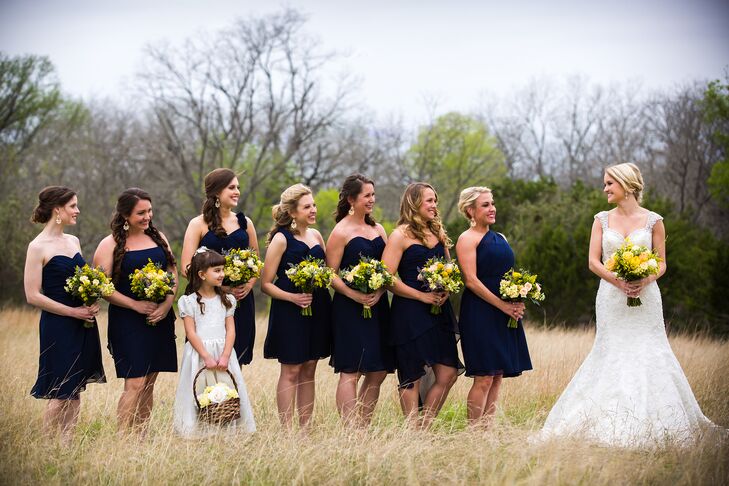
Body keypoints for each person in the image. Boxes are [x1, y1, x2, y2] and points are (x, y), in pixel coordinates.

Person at [539, 163, 714, 447]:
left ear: (627, 185)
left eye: (609, 183)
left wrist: (645, 279)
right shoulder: (601, 220)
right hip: (610, 297)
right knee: (611, 351)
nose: (605, 188)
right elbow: (593, 262)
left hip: (647, 297)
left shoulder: (654, 221)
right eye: (605, 183)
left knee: (650, 349)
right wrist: (618, 282)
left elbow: (662, 262)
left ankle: (662, 420)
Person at [24, 186, 106, 442]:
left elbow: (83, 281)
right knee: (60, 391)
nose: (77, 210)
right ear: (57, 210)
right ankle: (48, 447)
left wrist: (91, 302)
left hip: (83, 323)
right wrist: (72, 311)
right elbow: (33, 295)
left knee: (75, 389)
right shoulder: (37, 247)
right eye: (72, 206)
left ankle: (67, 444)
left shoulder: (73, 241)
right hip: (58, 325)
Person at [93, 188, 178, 433]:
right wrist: (134, 304)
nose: (147, 216)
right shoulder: (109, 244)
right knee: (136, 382)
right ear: (125, 215)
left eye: (149, 211)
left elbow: (172, 271)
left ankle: (140, 437)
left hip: (159, 318)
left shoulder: (158, 237)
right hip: (127, 322)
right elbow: (101, 286)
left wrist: (166, 304)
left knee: (150, 383)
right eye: (141, 212)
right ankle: (123, 438)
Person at [382, 182, 462, 428]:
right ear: (413, 202)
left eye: (435, 201)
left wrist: (447, 289)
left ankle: (424, 427)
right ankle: (412, 430)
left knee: (448, 373)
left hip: (439, 312)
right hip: (410, 312)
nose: (434, 205)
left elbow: (450, 270)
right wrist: (421, 296)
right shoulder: (400, 235)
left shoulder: (438, 234)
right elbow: (387, 278)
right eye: (429, 200)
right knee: (412, 374)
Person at [455, 186, 532, 427]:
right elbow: (471, 281)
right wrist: (503, 306)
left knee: (498, 375)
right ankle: (474, 432)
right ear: (470, 210)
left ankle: (486, 431)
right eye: (485, 205)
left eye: (492, 203)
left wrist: (518, 299)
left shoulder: (501, 238)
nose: (492, 208)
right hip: (480, 313)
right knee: (484, 376)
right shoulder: (466, 239)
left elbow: (508, 276)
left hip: (504, 314)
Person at [261, 183, 332, 428]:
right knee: (291, 369)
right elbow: (266, 283)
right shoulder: (281, 239)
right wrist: (293, 298)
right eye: (307, 206)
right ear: (292, 212)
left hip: (318, 306)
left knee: (310, 367)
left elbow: (326, 271)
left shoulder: (316, 235)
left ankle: (305, 428)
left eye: (313, 205)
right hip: (290, 309)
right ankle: (286, 429)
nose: (313, 210)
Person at [326, 174, 394, 426]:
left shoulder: (378, 229)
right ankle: (350, 429)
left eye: (373, 195)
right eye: (367, 195)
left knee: (378, 370)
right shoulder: (340, 231)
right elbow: (329, 274)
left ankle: (363, 425)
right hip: (349, 309)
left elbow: (388, 268)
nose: (372, 200)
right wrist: (354, 294)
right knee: (351, 370)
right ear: (351, 199)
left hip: (378, 307)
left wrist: (380, 289)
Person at [173, 248, 255, 437]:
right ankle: (195, 432)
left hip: (223, 352)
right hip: (200, 353)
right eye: (216, 270)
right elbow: (191, 332)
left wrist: (225, 355)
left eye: (222, 270)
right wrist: (206, 356)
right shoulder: (189, 301)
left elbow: (231, 330)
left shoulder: (227, 300)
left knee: (226, 389)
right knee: (199, 390)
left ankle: (227, 432)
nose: (222, 274)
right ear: (202, 274)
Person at [180, 168, 259, 366]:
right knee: (208, 359)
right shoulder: (198, 224)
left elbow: (256, 260)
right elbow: (186, 267)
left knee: (235, 361)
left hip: (240, 300)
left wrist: (248, 285)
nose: (237, 192)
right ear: (216, 192)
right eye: (231, 187)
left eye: (238, 187)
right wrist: (220, 287)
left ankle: (232, 398)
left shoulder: (245, 223)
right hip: (208, 301)